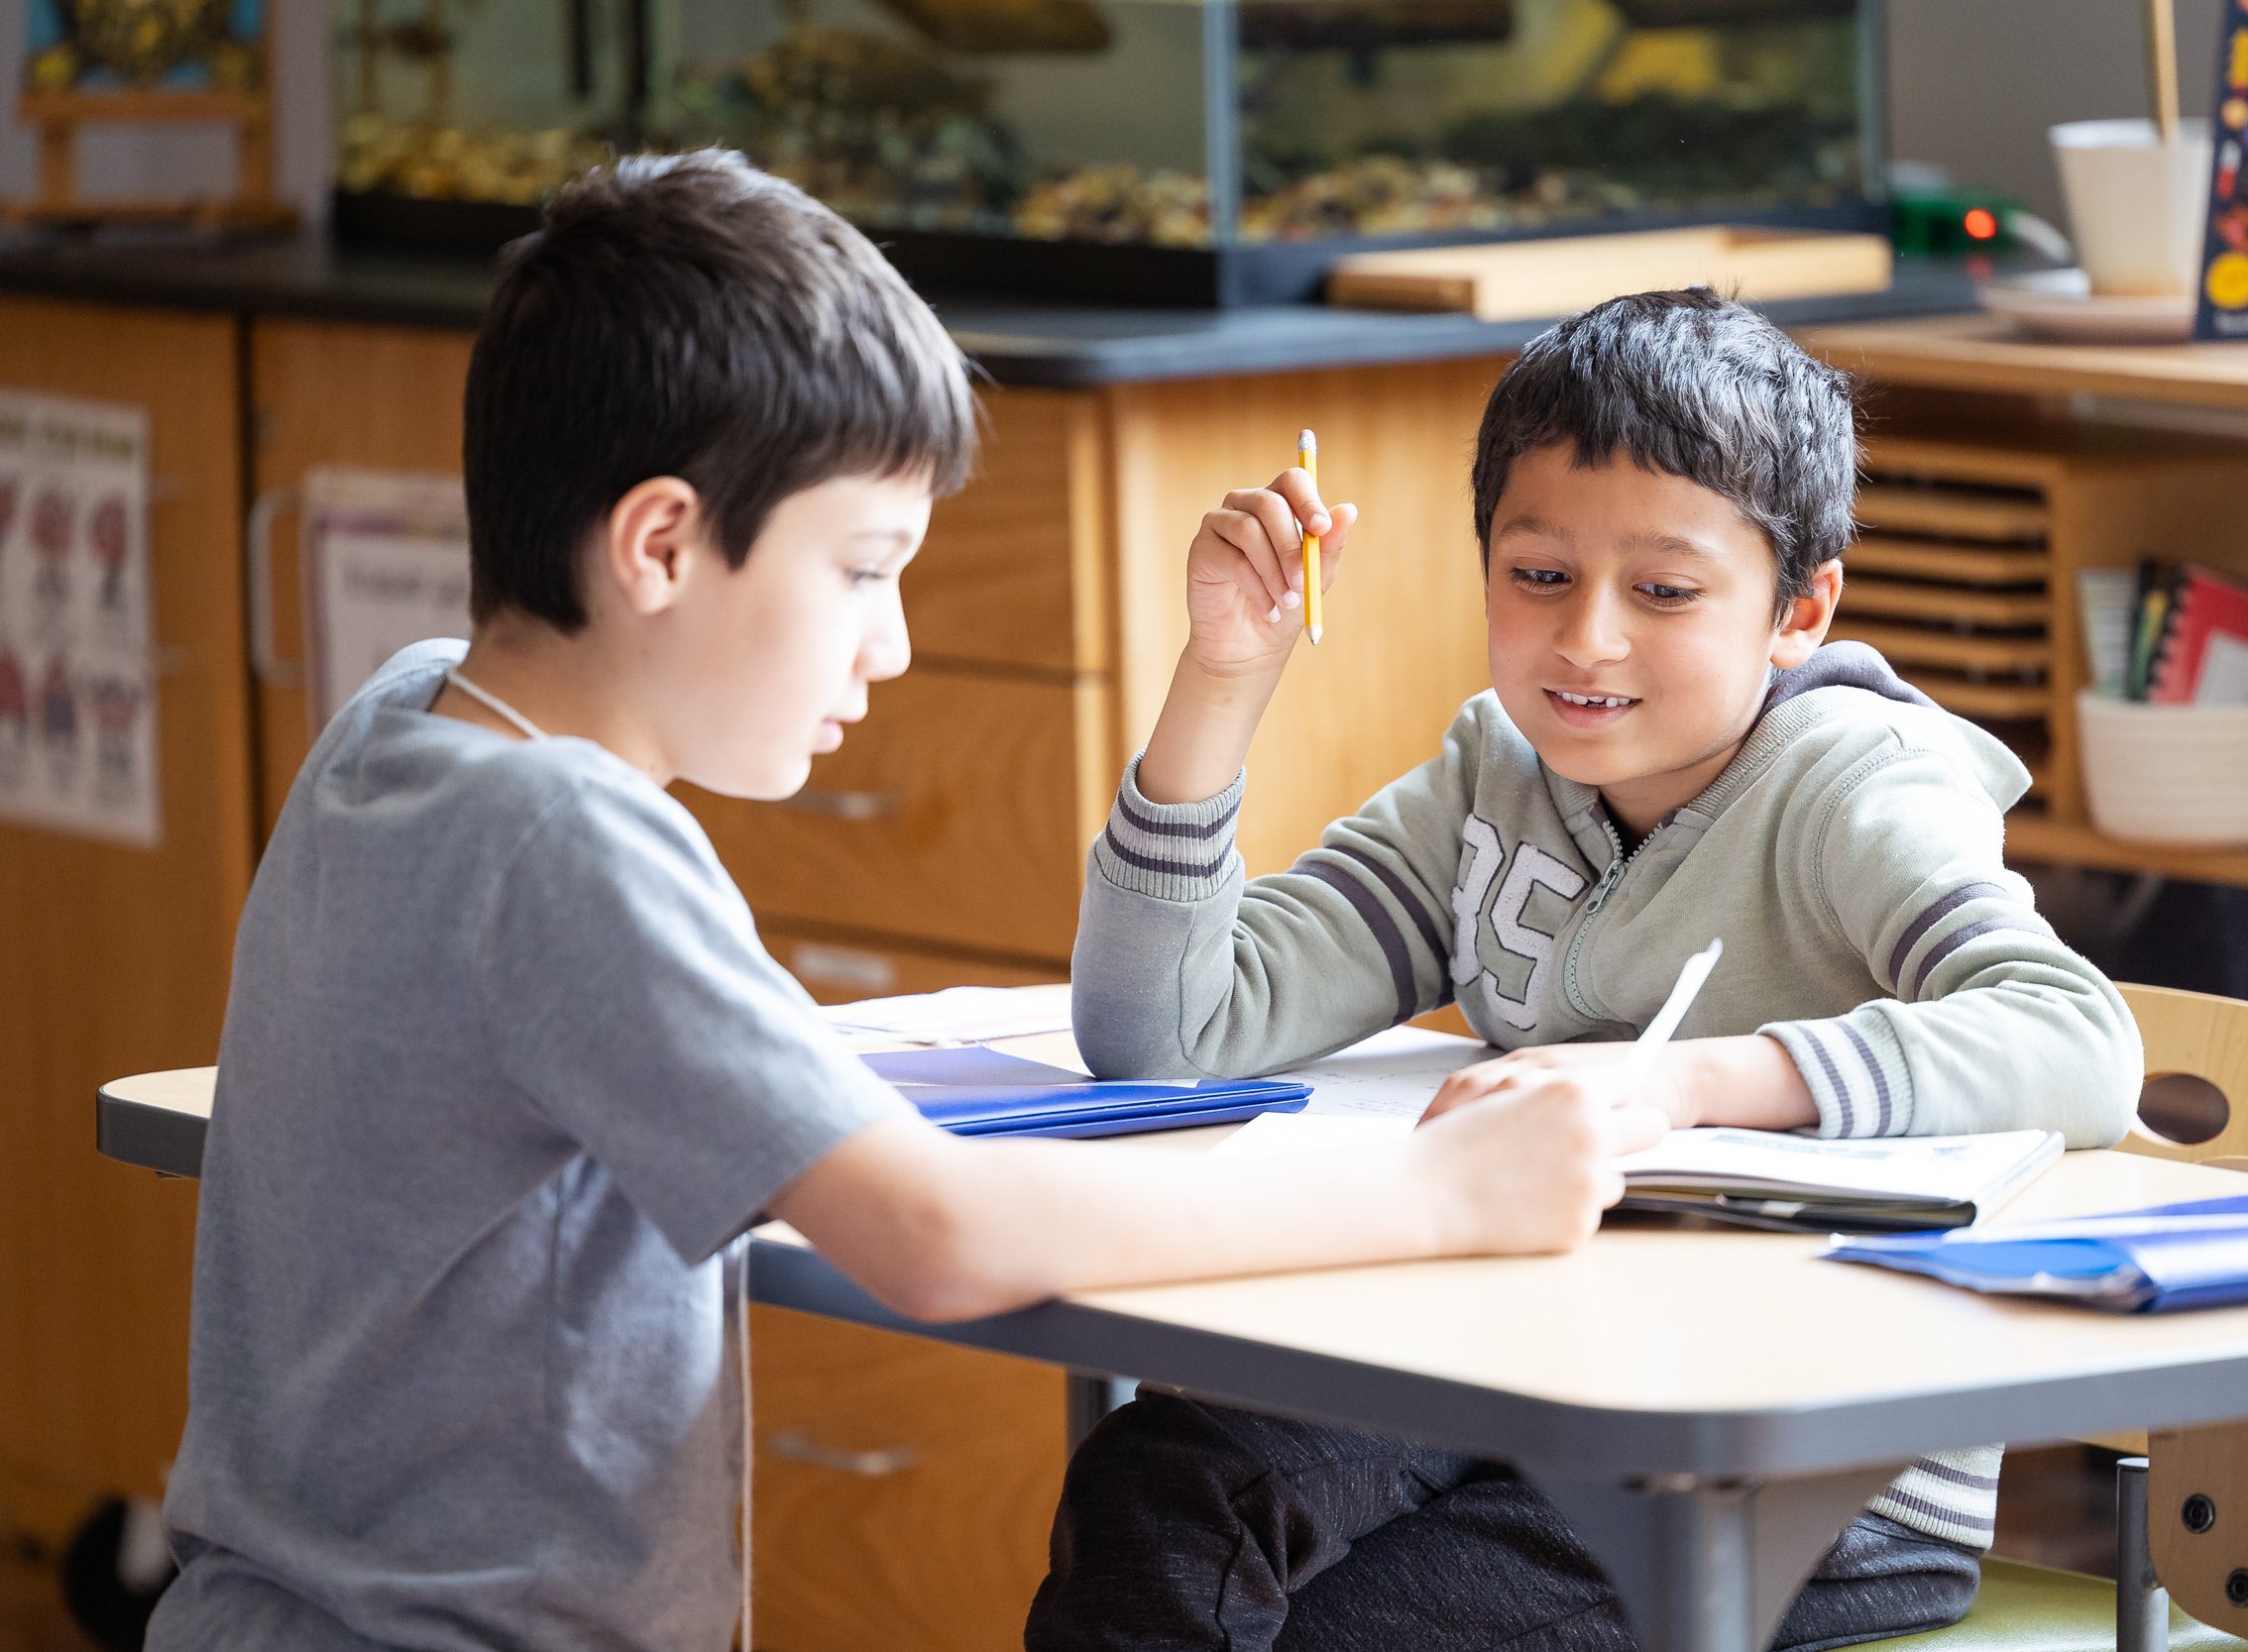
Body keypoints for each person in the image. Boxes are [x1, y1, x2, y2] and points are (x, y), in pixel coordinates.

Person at [144, 152, 1657, 1652]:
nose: (892, 646)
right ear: (660, 543)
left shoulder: (401, 723)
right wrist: (1441, 1194)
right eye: (864, 571)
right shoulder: (562, 841)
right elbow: (940, 1235)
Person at [1033, 288, 2142, 1652]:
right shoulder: (1494, 774)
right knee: (1156, 1489)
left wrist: (1676, 1087)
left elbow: (2078, 1037)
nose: (1587, 639)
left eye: (1666, 592)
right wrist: (1221, 677)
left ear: (1800, 610)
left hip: (1805, 1456)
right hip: (1509, 1365)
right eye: (1538, 575)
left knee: (1341, 1630)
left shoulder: (1859, 788)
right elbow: (1165, 1033)